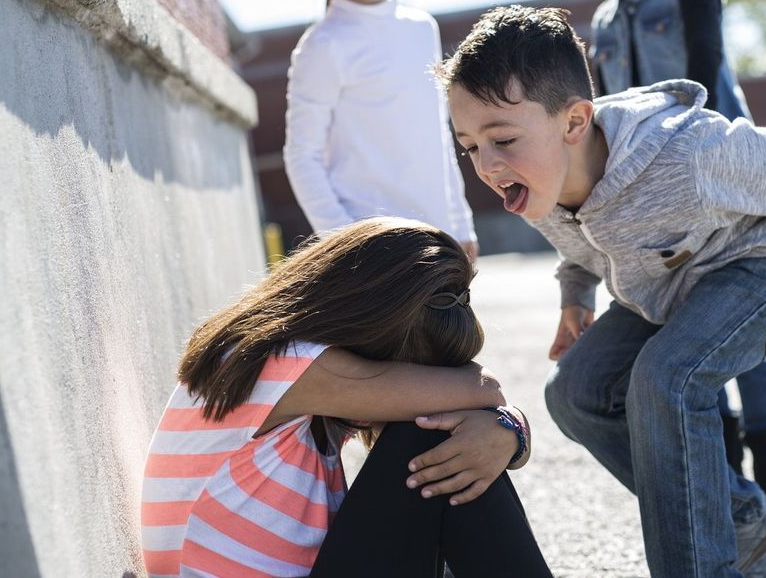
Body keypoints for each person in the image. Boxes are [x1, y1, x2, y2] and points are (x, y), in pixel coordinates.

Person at [437, 5, 766, 577]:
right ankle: (739, 515)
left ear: (574, 122)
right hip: (670, 285)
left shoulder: (689, 154)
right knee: (574, 392)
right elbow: (580, 244)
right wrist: (576, 297)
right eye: (469, 146)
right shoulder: (538, 179)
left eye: (502, 139)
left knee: (666, 378)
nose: (487, 166)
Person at [139, 218, 552, 577]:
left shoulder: (301, 377)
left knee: (453, 442)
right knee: (432, 433)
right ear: (371, 326)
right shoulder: (282, 363)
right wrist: (505, 424)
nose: (413, 383)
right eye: (411, 369)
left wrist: (506, 429)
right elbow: (483, 390)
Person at [589, 0, 766, 534]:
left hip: (721, 180)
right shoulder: (602, 20)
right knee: (690, 337)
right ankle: (734, 494)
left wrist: (709, 173)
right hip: (652, 203)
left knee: (744, 341)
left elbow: (706, 75)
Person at [284, 0, 478, 261]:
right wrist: (346, 245)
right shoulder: (323, 45)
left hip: (439, 240)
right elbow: (302, 156)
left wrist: (461, 225)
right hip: (373, 254)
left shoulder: (422, 28)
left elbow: (437, 136)